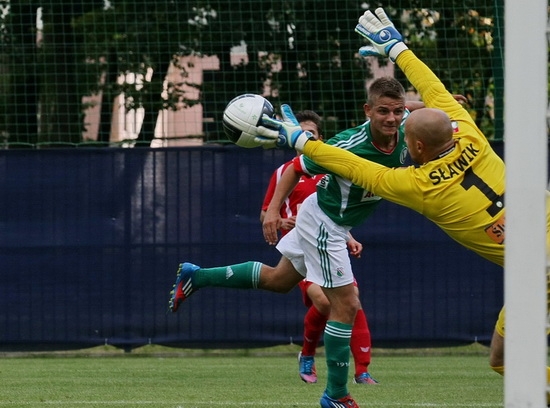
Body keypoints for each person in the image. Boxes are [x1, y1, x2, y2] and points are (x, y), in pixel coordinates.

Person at [256, 6, 550, 395]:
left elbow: (355, 167)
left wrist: (299, 141)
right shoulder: (470, 133)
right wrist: (397, 48)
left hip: (536, 274)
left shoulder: (419, 184)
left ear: (417, 145)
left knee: (503, 359)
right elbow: (434, 91)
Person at [169, 75, 412, 408]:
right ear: (367, 110)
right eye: (383, 111)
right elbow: (295, 167)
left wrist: (440, 105)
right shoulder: (345, 145)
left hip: (326, 219)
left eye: (397, 111)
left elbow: (413, 111)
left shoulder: (403, 127)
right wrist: (271, 212)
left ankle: (197, 276)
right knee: (346, 304)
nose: (392, 119)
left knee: (278, 280)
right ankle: (337, 394)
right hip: (325, 223)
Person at [260, 110, 378, 385]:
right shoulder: (285, 172)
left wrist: (349, 237)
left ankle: (362, 370)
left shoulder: (329, 164)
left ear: (319, 138)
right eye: (300, 132)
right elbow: (266, 213)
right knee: (326, 302)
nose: (306, 136)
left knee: (353, 300)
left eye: (311, 133)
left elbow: (335, 214)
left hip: (330, 241)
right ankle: (309, 355)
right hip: (303, 243)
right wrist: (279, 219)